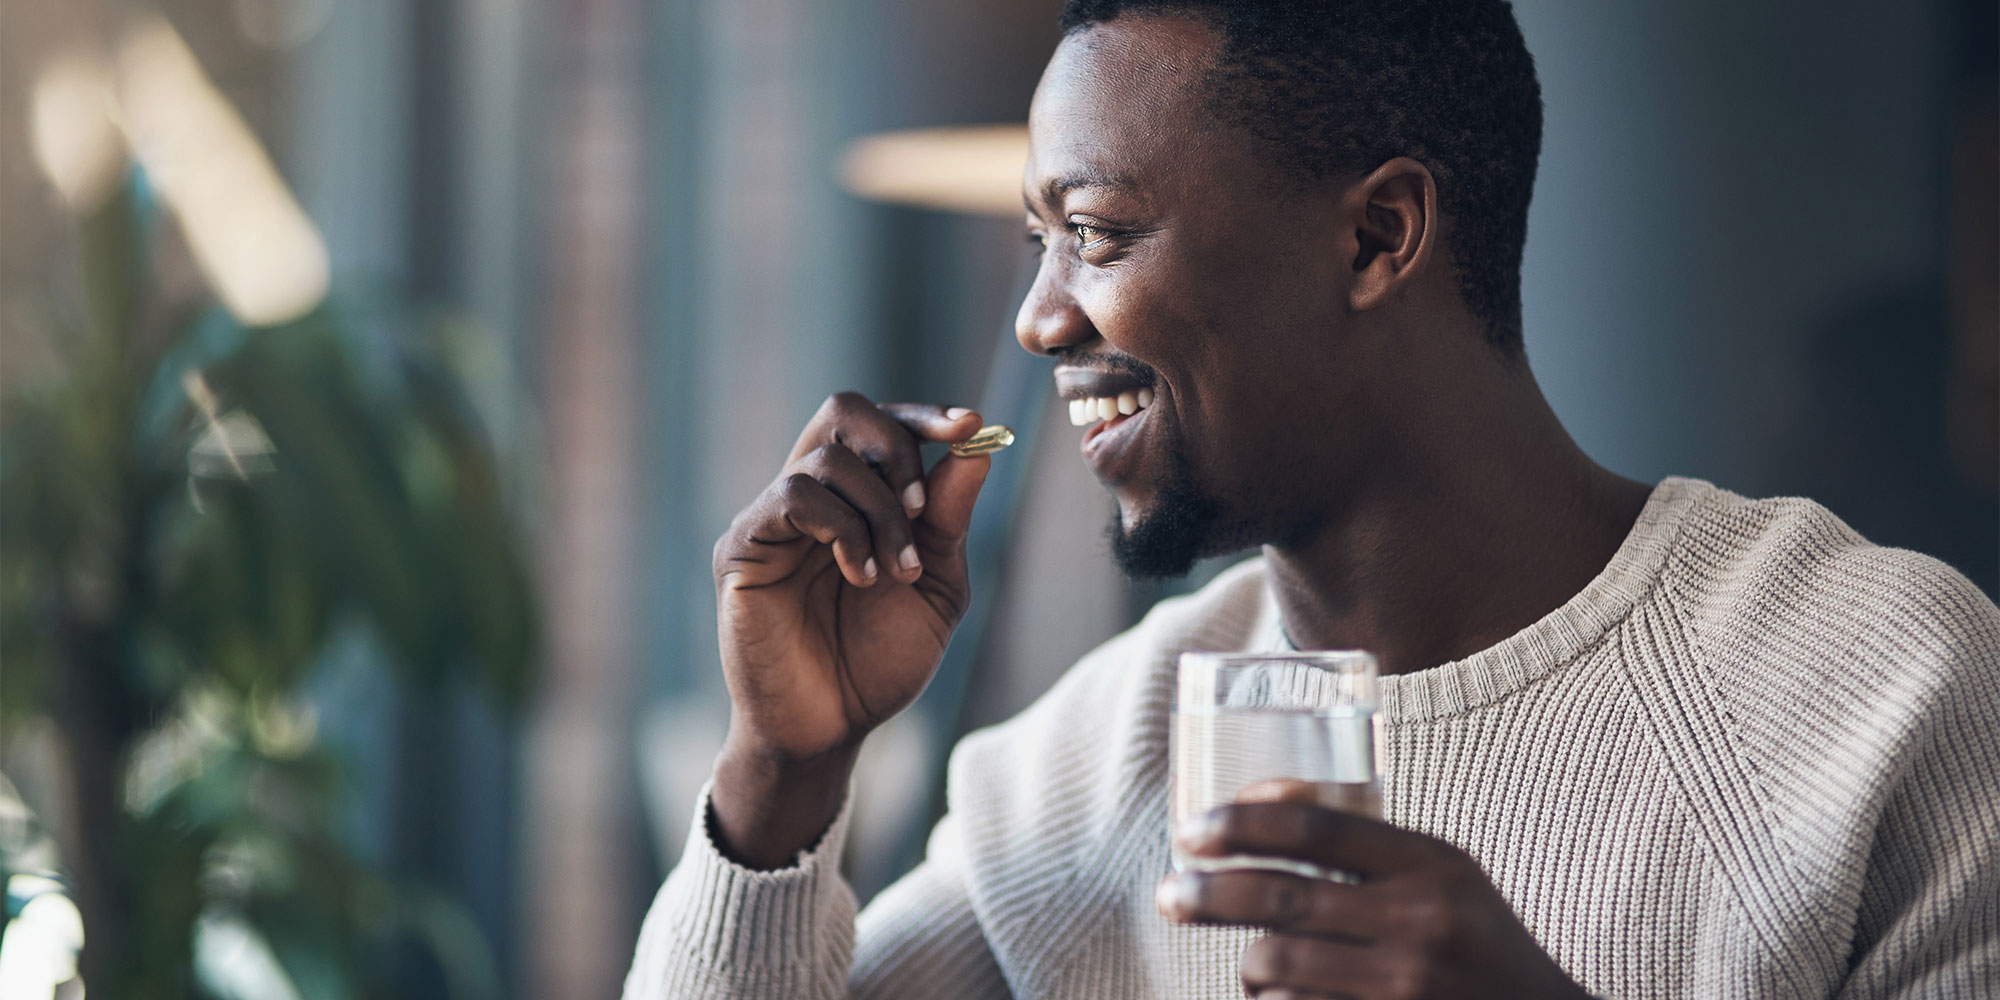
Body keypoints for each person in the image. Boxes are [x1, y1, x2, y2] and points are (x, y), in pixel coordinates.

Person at [624, 1, 2000, 997]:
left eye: (1096, 234)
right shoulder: (1085, 769)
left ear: (1377, 234)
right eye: (1037, 245)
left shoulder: (1885, 694)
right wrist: (781, 772)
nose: (1043, 322)